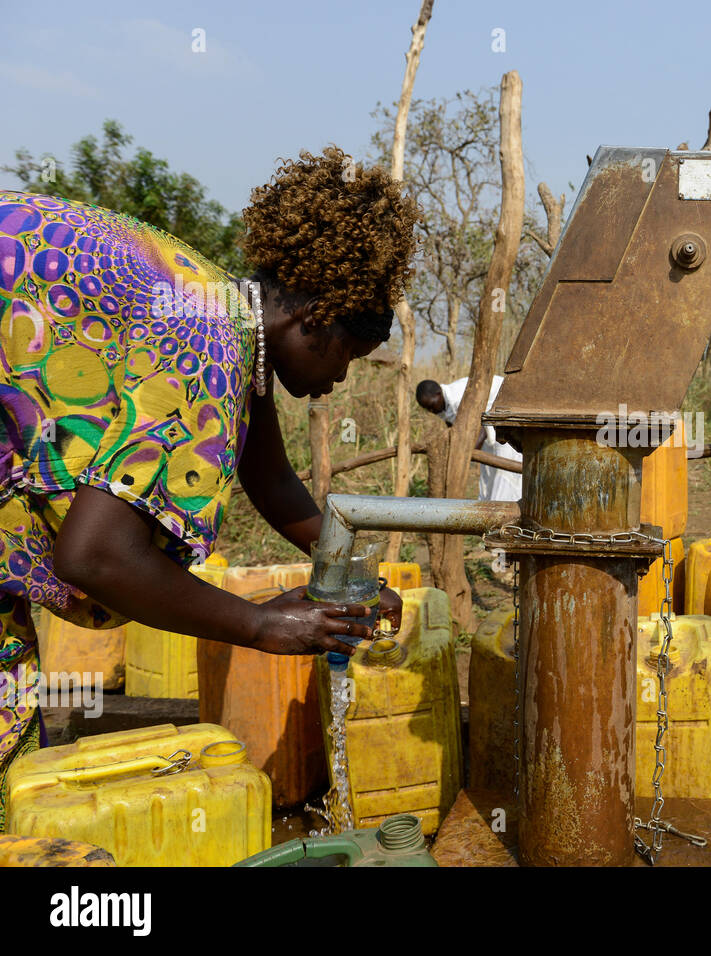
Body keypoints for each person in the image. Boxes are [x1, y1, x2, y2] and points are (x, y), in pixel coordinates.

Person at [0, 147, 417, 826]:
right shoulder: (203, 341)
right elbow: (97, 556)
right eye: (347, 356)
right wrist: (260, 624)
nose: (340, 381)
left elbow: (272, 478)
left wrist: (352, 574)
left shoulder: (219, 307)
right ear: (314, 315)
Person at [417, 377, 522, 502]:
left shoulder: (458, 398)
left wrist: (465, 456)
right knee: (488, 475)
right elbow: (455, 429)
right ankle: (487, 509)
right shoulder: (441, 404)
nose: (432, 411)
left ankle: (503, 513)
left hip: (504, 421)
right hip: (489, 430)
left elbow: (481, 426)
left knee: (503, 473)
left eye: (431, 405)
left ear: (438, 394)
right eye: (427, 409)